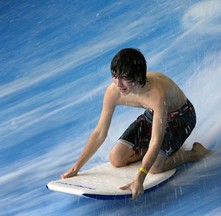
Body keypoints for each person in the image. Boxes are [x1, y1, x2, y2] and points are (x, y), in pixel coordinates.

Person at [61, 48, 212, 200]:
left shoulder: (157, 94)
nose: (118, 84)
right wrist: (76, 168)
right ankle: (157, 154)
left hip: (181, 117)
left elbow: (155, 141)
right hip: (152, 115)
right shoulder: (113, 92)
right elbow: (100, 132)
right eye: (114, 76)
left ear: (138, 76)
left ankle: (195, 153)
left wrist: (140, 177)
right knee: (116, 158)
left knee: (154, 167)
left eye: (124, 78)